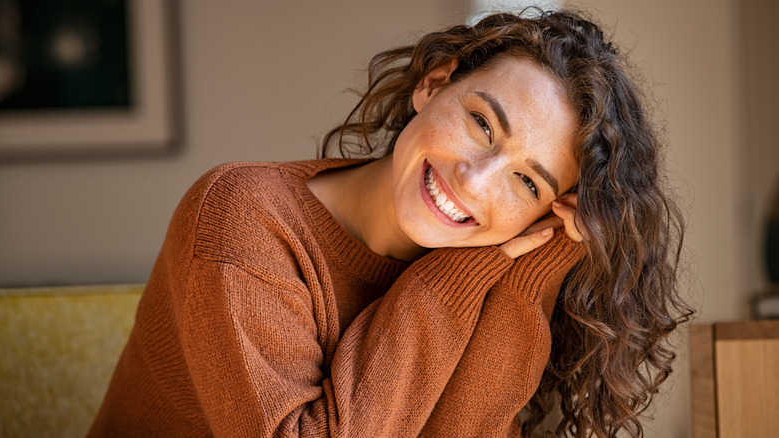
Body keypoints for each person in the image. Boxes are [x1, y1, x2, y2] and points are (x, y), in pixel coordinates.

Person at [88, 8, 691, 438]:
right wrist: (441, 286)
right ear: (433, 85)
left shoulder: (495, 272)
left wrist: (532, 270)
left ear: (548, 213)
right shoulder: (242, 217)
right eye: (483, 124)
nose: (474, 181)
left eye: (527, 182)